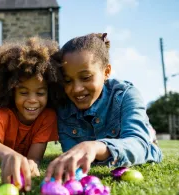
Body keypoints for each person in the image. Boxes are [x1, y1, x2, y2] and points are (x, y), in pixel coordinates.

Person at [45, 33, 163, 183]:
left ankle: (149, 131)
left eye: (86, 77)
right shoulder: (63, 107)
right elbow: (73, 155)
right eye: (68, 80)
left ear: (106, 72)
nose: (76, 89)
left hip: (136, 136)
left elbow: (141, 146)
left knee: (145, 137)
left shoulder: (127, 95)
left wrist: (96, 147)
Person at [0, 37, 65, 191]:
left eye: (40, 93)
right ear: (11, 92)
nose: (32, 100)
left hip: (12, 148)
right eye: (24, 92)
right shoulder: (3, 112)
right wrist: (7, 155)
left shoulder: (48, 116)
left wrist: (32, 164)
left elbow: (34, 158)